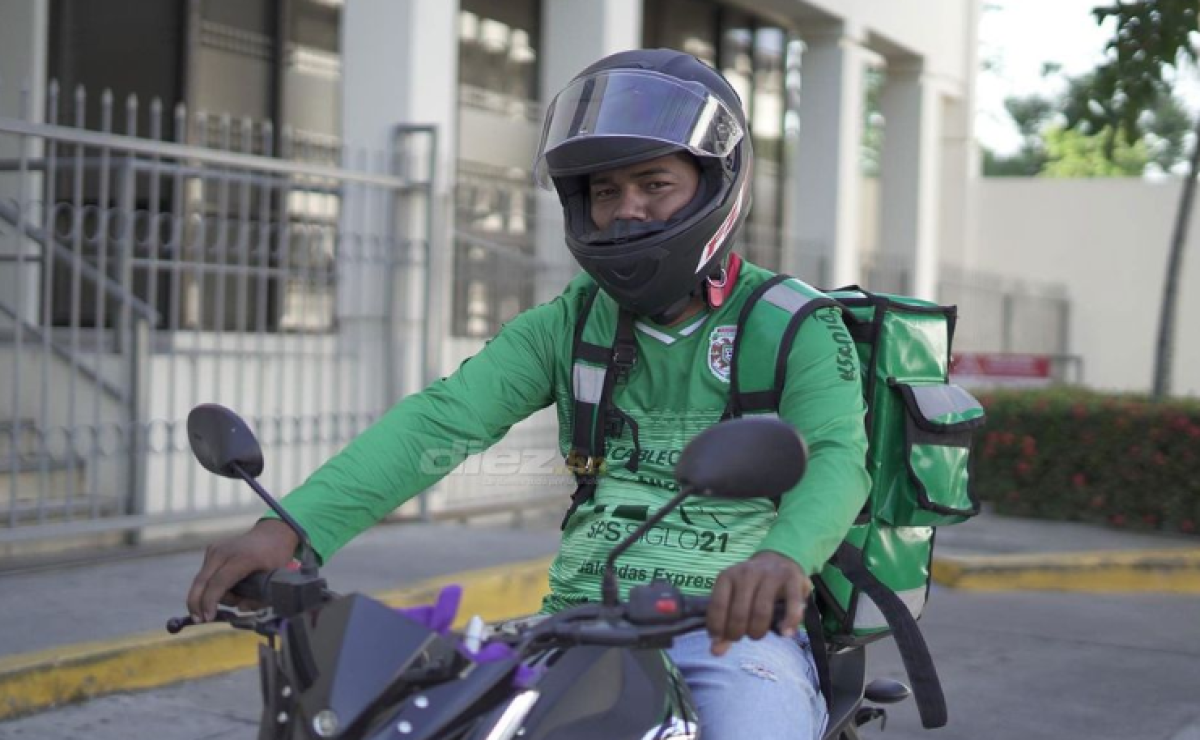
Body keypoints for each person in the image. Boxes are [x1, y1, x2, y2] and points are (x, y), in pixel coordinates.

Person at [187, 48, 869, 740]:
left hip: (732, 634)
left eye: (654, 184)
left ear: (714, 184)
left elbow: (838, 456)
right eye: (606, 192)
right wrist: (294, 527)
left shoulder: (793, 324)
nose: (627, 213)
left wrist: (781, 558)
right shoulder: (570, 323)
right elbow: (442, 421)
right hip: (577, 626)